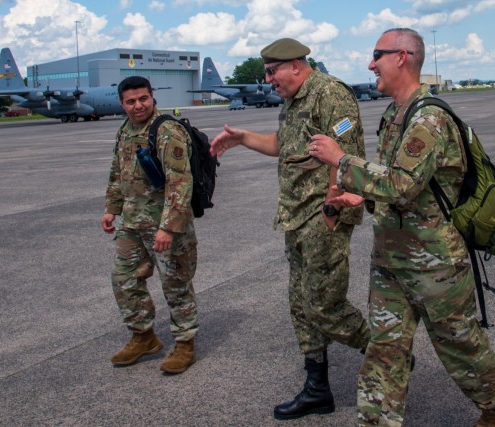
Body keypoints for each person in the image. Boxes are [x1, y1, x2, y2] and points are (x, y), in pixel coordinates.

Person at [308, 28, 495, 427]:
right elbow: (396, 183)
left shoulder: (429, 119)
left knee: (461, 347)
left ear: (401, 57)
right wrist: (360, 197)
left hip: (434, 265)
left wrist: (341, 161)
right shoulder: (394, 115)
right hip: (391, 262)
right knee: (384, 351)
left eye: (377, 55)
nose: (371, 64)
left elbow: (402, 184)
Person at [210, 38, 371, 420]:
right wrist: (243, 138)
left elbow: (345, 156)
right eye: (266, 73)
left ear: (296, 66)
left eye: (272, 72)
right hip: (295, 215)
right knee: (301, 305)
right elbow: (287, 144)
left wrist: (332, 207)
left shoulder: (331, 95)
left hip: (322, 214)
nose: (268, 80)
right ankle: (317, 389)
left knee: (325, 306)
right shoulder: (294, 100)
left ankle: (388, 353)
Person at [101, 76, 199, 375]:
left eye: (143, 98)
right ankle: (143, 336)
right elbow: (118, 171)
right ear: (122, 104)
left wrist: (168, 227)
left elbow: (180, 182)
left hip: (165, 223)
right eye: (131, 101)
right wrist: (111, 208)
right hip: (132, 222)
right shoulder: (125, 130)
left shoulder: (166, 130)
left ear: (152, 97)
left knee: (175, 283)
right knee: (124, 279)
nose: (138, 105)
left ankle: (185, 342)